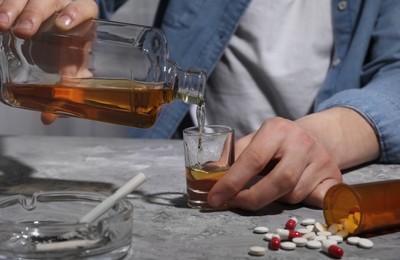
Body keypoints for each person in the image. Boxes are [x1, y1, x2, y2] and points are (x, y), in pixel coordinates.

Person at [1, 0, 399, 212]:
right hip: (167, 171)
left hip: (317, 184)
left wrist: (325, 134)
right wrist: (59, 8)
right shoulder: (152, 89)